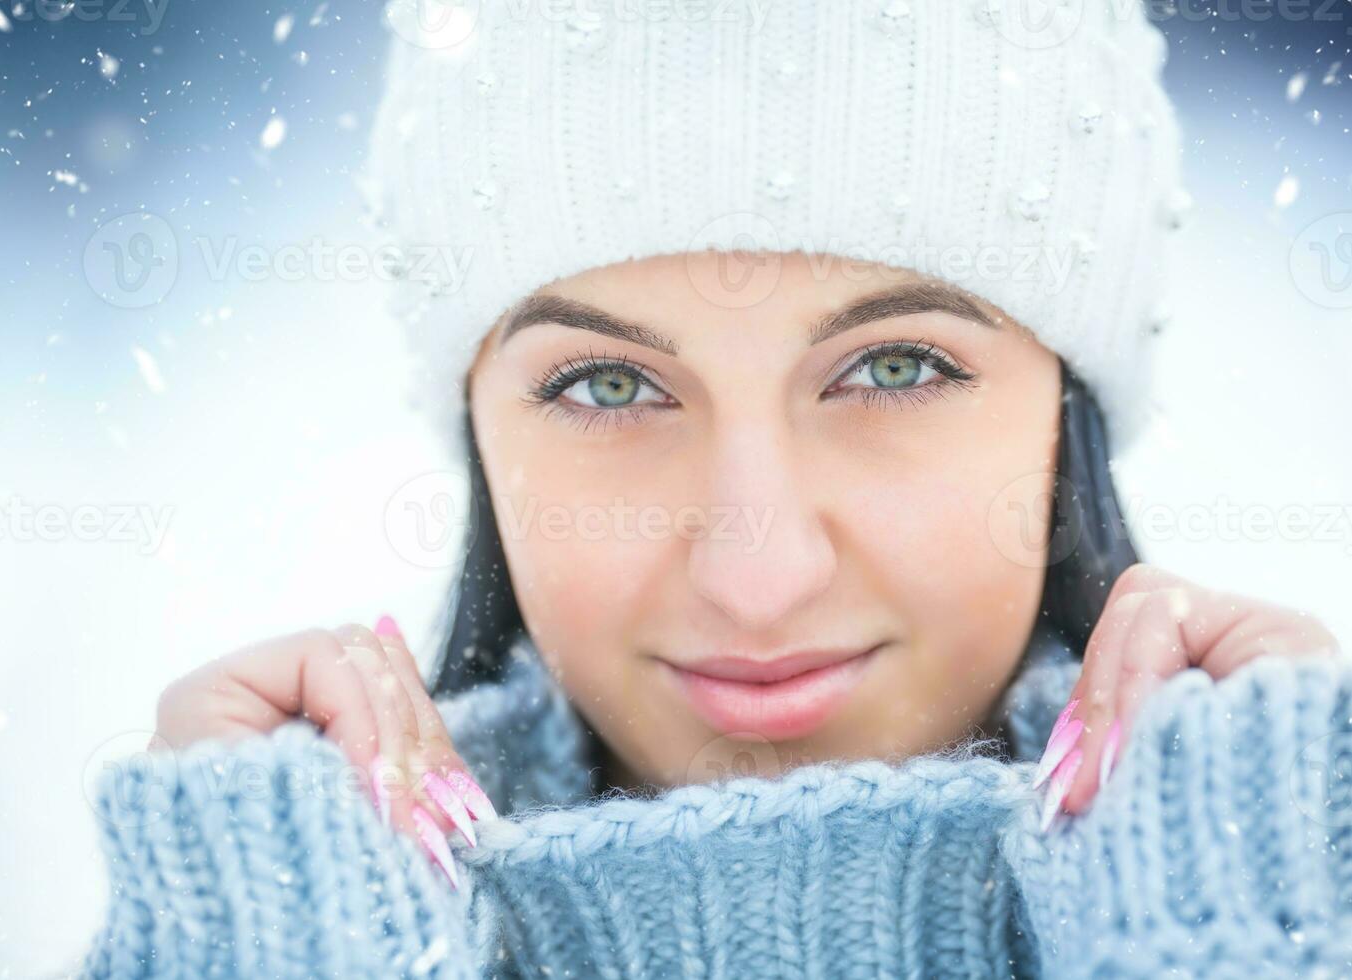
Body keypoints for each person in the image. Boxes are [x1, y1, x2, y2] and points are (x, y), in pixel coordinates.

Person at [80, 2, 1347, 975]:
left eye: (893, 366)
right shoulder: (275, 912)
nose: (759, 575)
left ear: (1066, 413)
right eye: (610, 388)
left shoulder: (1286, 899)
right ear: (476, 426)